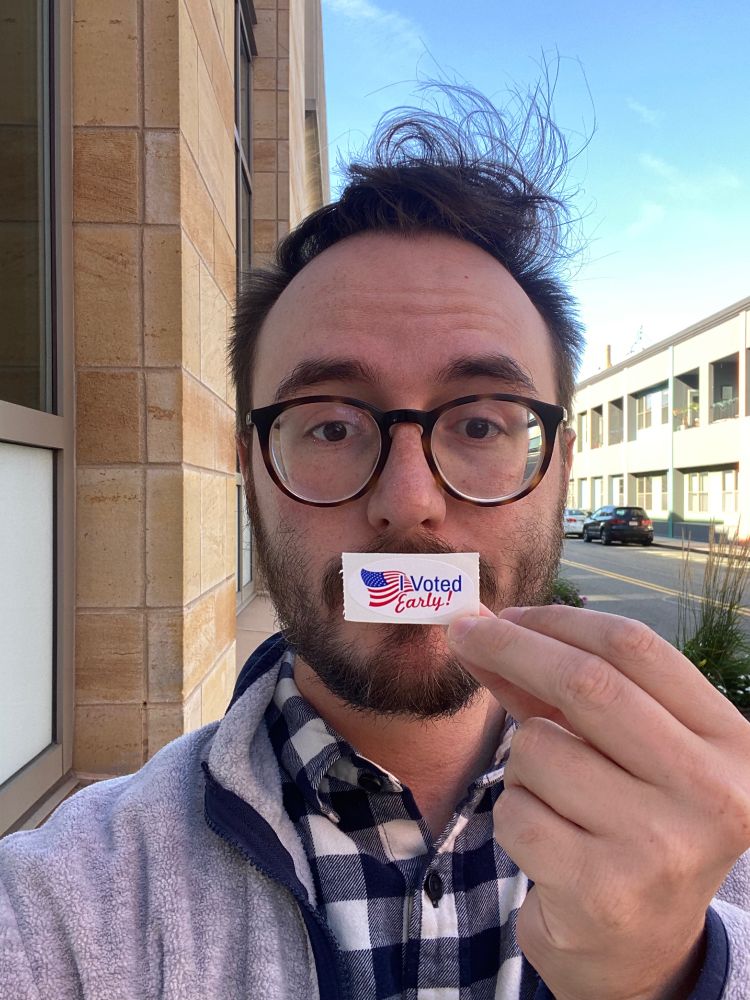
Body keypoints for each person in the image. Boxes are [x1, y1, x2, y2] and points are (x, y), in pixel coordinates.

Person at [2, 88, 749, 1000]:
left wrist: (673, 975)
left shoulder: (720, 847)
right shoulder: (60, 907)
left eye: (479, 424)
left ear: (557, 468)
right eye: (328, 427)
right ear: (249, 467)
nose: (409, 506)